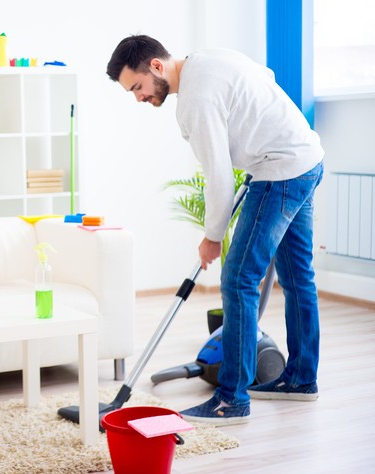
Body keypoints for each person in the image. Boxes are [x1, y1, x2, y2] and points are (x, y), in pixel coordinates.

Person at [106, 35, 324, 425]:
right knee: (297, 279)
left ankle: (231, 399)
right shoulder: (209, 58)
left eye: (136, 87)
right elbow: (265, 76)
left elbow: (218, 176)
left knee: (238, 280)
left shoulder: (195, 99)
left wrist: (211, 237)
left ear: (156, 66)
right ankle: (302, 379)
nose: (138, 98)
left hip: (279, 171)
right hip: (306, 157)